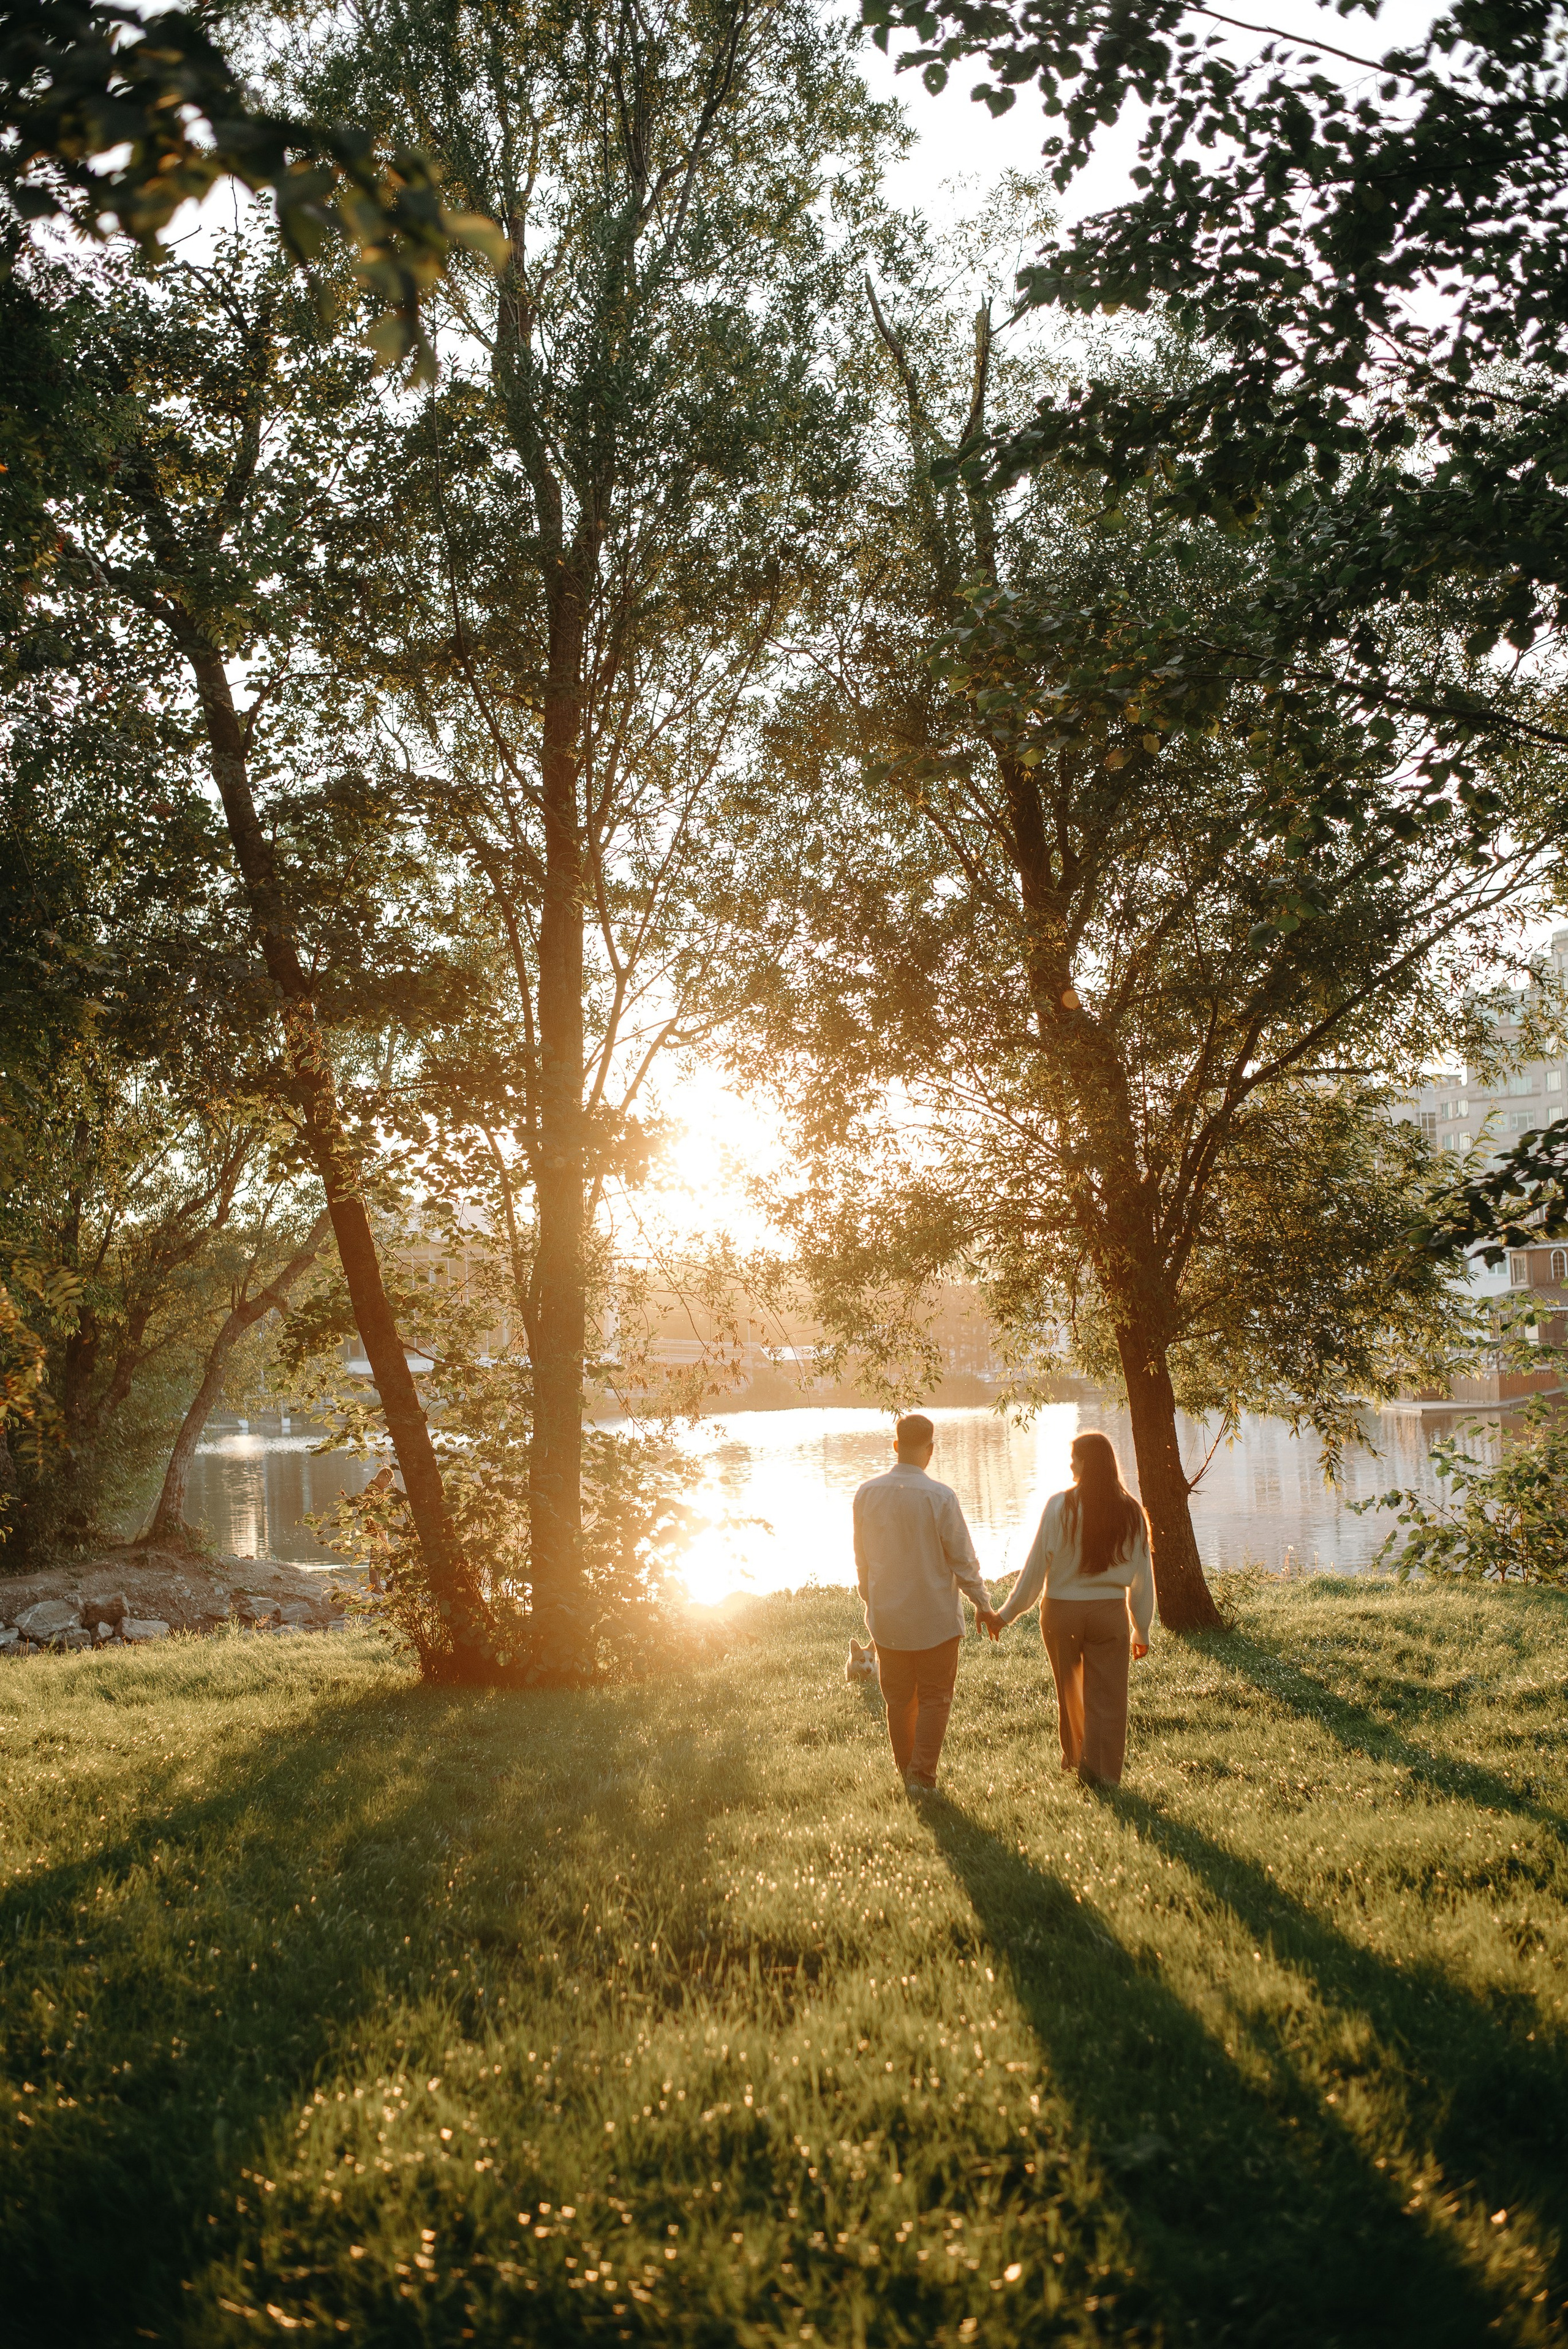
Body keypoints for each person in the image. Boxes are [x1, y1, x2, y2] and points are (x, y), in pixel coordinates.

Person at [986, 1430, 1153, 1787]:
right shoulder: (1131, 1510)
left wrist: (1006, 1614)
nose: (1070, 1463)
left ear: (1085, 1463)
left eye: (1074, 1457)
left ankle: (1077, 1759)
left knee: (1070, 1689)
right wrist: (1142, 1628)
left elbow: (1034, 1572)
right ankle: (1104, 1775)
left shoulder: (1059, 1506)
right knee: (1108, 1698)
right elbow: (1142, 1577)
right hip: (1109, 1615)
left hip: (1062, 1613)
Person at [853, 1412, 995, 1794]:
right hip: (937, 1620)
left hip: (888, 1620)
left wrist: (872, 1595)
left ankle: (909, 1773)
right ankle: (922, 1777)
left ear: (896, 1446)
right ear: (930, 1451)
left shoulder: (866, 1493)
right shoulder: (941, 1497)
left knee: (899, 1700)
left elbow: (861, 1557)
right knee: (935, 1699)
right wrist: (982, 1604)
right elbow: (962, 1560)